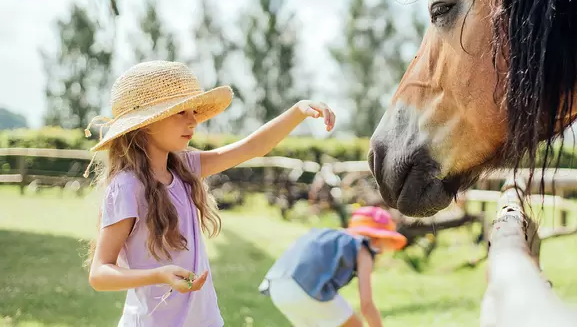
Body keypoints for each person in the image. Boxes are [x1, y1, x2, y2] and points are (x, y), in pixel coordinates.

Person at [84, 60, 336, 327]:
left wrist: (297, 111)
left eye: (193, 111)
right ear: (147, 123)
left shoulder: (184, 167)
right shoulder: (127, 186)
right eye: (180, 112)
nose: (193, 121)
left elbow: (252, 147)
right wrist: (159, 275)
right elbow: (99, 273)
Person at [259, 206, 408, 327]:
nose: (382, 251)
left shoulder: (331, 235)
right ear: (376, 238)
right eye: (385, 243)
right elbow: (366, 304)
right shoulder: (363, 250)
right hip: (307, 287)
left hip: (277, 287)